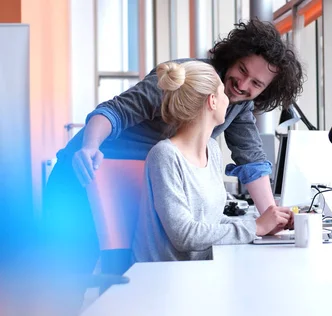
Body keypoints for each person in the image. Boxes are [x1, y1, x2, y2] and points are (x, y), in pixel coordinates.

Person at [42, 19, 303, 282]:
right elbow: (115, 111)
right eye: (241, 70)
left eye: (256, 84)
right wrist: (89, 146)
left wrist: (273, 218)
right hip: (84, 171)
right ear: (233, 58)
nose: (243, 84)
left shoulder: (236, 104)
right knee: (66, 279)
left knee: (115, 274)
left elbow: (252, 160)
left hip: (133, 186)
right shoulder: (186, 80)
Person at [133, 61, 290, 262]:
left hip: (200, 270)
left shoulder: (212, 150)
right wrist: (256, 227)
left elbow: (210, 221)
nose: (230, 100)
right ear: (213, 101)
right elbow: (185, 235)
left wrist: (264, 223)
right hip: (166, 277)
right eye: (223, 93)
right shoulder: (164, 156)